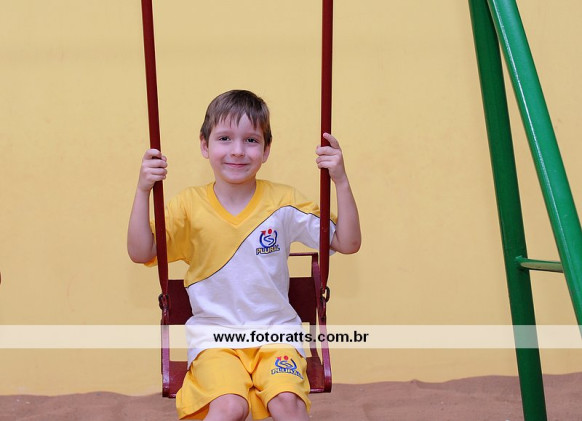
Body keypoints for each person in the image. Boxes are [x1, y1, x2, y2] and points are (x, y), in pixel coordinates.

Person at [127, 90, 361, 420]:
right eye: (225, 138)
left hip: (277, 336)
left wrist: (341, 180)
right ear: (205, 145)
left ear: (266, 150)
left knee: (287, 402)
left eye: (251, 140)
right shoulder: (188, 206)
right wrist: (142, 190)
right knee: (229, 406)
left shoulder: (283, 203)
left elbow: (347, 242)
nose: (237, 150)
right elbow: (141, 251)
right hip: (215, 340)